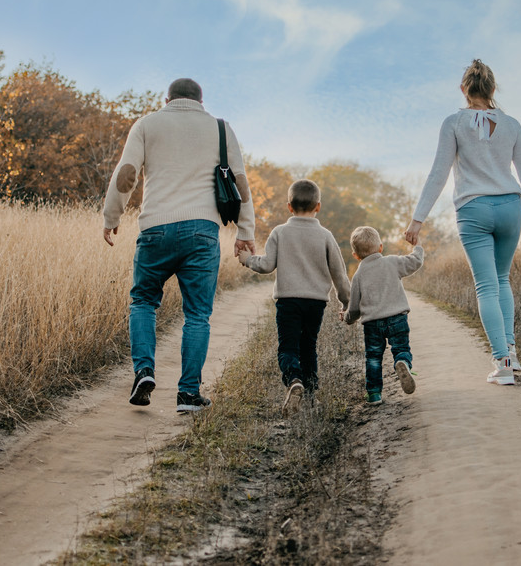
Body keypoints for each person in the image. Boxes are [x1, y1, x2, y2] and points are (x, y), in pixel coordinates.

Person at [102, 78, 256, 412]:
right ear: (201, 101)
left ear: (167, 98)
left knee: (143, 300)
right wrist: (246, 231)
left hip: (155, 228)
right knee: (197, 314)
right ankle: (188, 394)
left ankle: (144, 370)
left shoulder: (147, 124)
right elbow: (240, 182)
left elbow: (127, 173)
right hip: (202, 231)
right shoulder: (220, 128)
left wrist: (111, 216)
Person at [405, 59, 521, 387]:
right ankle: (511, 352)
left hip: (473, 210)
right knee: (502, 280)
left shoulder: (454, 123)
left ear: (463, 89)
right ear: (493, 89)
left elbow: (438, 173)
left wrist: (417, 219)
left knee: (486, 285)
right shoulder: (512, 125)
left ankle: (503, 365)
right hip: (512, 207)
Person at [238, 179, 350, 415]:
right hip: (316, 303)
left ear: (289, 206)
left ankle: (294, 379)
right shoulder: (326, 235)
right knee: (308, 347)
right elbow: (339, 273)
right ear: (318, 206)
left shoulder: (280, 232)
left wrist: (247, 259)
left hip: (288, 301)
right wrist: (347, 301)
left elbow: (267, 265)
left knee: (288, 347)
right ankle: (310, 396)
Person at [341, 226, 424, 405]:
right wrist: (417, 247)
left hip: (372, 324)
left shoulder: (358, 276)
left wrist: (347, 318)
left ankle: (374, 394)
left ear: (355, 255)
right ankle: (402, 362)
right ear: (380, 247)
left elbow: (354, 308)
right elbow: (415, 262)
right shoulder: (392, 262)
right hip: (397, 318)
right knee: (401, 348)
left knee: (373, 358)